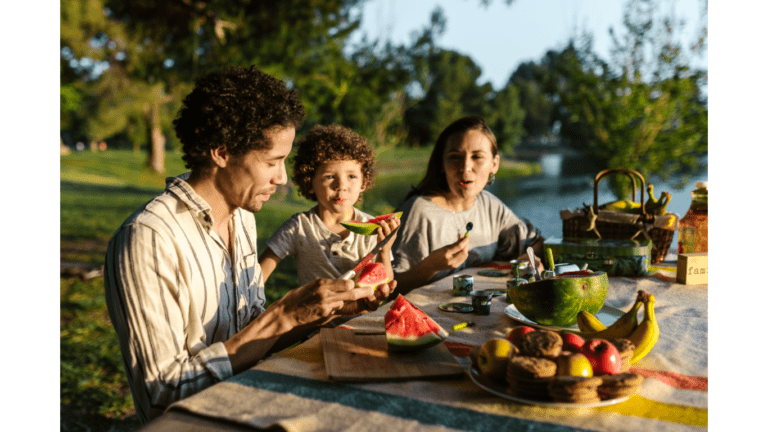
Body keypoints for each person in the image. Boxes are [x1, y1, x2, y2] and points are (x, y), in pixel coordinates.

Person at [103, 65, 395, 424]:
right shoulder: (147, 240)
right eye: (273, 161)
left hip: (250, 408)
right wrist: (282, 316)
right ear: (222, 153)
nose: (283, 177)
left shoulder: (242, 217)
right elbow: (162, 393)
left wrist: (329, 311)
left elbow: (251, 339)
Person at [390, 116, 545, 293]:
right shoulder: (418, 211)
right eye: (455, 157)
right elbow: (390, 289)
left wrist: (529, 258)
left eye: (477, 156)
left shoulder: (489, 204)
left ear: (494, 165)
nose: (465, 167)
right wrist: (429, 267)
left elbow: (536, 241)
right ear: (442, 164)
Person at [258, 124, 400, 286]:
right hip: (312, 311)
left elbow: (384, 286)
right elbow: (259, 274)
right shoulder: (299, 227)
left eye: (351, 176)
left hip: (362, 312)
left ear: (363, 183)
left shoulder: (372, 230)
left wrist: (384, 249)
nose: (341, 185)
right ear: (309, 182)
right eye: (330, 177)